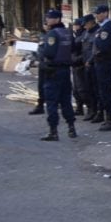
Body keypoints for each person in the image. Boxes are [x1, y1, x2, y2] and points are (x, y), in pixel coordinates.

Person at [38, 9, 76, 141]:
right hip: (65, 70)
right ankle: (71, 127)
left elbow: (49, 53)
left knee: (52, 102)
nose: (47, 20)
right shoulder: (67, 33)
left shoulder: (52, 34)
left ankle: (53, 131)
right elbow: (74, 48)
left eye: (50, 18)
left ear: (57, 19)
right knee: (66, 100)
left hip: (53, 71)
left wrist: (41, 49)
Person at [92, 4, 111, 131]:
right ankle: (104, 115)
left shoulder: (108, 27)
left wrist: (97, 53)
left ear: (105, 13)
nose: (96, 16)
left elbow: (103, 46)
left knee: (105, 91)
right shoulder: (102, 27)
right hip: (100, 62)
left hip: (105, 62)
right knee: (101, 90)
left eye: (98, 13)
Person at [80, 14, 100, 121]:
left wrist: (90, 60)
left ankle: (98, 111)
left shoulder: (98, 32)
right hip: (86, 64)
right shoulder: (86, 33)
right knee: (88, 89)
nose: (84, 27)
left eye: (86, 24)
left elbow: (96, 49)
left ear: (91, 22)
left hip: (93, 64)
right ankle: (91, 110)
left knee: (96, 90)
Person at [70, 18, 86, 115]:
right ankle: (79, 107)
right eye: (74, 25)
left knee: (82, 88)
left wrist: (76, 60)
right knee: (76, 89)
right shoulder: (75, 35)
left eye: (76, 25)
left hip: (81, 65)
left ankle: (90, 108)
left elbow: (85, 52)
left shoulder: (83, 35)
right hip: (75, 65)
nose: (74, 27)